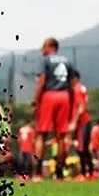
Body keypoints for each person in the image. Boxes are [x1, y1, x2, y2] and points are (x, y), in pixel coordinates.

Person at [32, 38, 74, 182]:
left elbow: (42, 81)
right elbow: (72, 84)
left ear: (50, 46)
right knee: (61, 136)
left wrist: (35, 102)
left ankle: (37, 174)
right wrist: (71, 101)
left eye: (43, 46)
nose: (41, 49)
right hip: (65, 96)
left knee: (41, 134)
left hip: (49, 96)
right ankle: (60, 173)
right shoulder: (67, 61)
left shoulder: (45, 60)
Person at [71, 71, 93, 181]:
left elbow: (81, 107)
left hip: (82, 123)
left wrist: (74, 121)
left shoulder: (77, 89)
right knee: (83, 149)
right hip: (83, 122)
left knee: (82, 149)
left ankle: (86, 174)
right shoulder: (81, 88)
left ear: (74, 78)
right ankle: (89, 173)